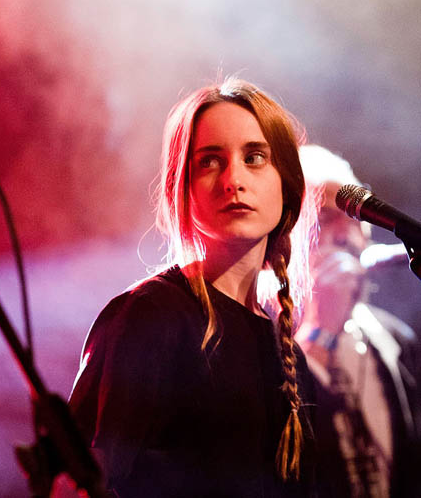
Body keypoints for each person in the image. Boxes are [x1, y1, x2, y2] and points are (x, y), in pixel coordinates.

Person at [68, 78, 319, 497]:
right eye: (209, 162)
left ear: (287, 184)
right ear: (181, 188)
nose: (233, 180)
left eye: (255, 157)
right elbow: (83, 481)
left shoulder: (290, 359)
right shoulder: (150, 315)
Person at [296, 145, 421, 498]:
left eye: (353, 216)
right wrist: (320, 335)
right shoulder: (260, 336)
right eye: (322, 218)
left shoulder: (397, 340)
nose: (345, 234)